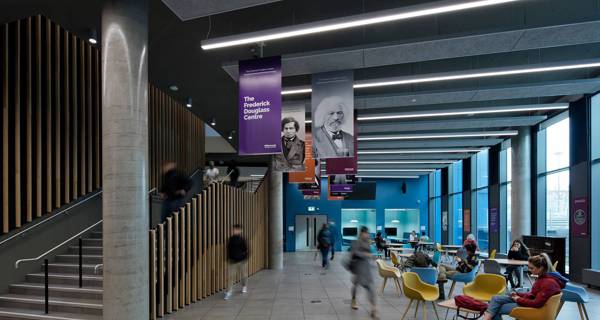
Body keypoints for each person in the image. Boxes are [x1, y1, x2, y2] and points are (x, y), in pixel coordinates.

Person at [483, 253, 567, 320]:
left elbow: (536, 303)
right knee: (495, 299)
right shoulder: (545, 278)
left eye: (531, 268)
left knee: (496, 309)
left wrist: (518, 299)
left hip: (535, 309)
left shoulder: (548, 283)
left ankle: (486, 318)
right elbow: (532, 295)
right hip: (530, 302)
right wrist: (518, 294)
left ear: (541, 268)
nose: (529, 270)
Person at [348, 226, 378, 319]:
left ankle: (374, 309)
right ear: (361, 233)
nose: (368, 234)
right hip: (358, 268)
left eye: (368, 233)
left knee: (370, 288)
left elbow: (369, 253)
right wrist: (366, 254)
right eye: (366, 233)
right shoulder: (356, 242)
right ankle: (353, 300)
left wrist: (371, 255)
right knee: (356, 285)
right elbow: (354, 253)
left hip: (366, 268)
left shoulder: (368, 242)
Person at [224, 224, 249, 300]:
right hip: (232, 261)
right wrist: (228, 258)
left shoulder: (242, 239)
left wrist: (244, 258)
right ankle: (229, 291)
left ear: (240, 230)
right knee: (230, 277)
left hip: (241, 261)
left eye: (237, 229)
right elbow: (228, 249)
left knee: (243, 275)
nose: (235, 231)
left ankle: (244, 286)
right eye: (234, 229)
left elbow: (247, 250)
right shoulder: (231, 239)